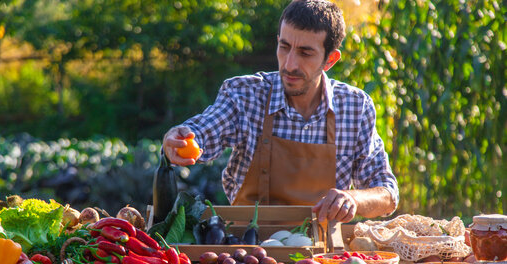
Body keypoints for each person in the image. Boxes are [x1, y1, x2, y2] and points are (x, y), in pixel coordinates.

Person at [162, 0, 398, 224]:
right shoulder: (245, 94)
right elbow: (203, 131)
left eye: (305, 53)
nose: (289, 64)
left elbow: (387, 194)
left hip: (320, 256)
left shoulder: (355, 107)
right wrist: (180, 138)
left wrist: (354, 199)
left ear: (330, 60)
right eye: (284, 47)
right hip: (247, 253)